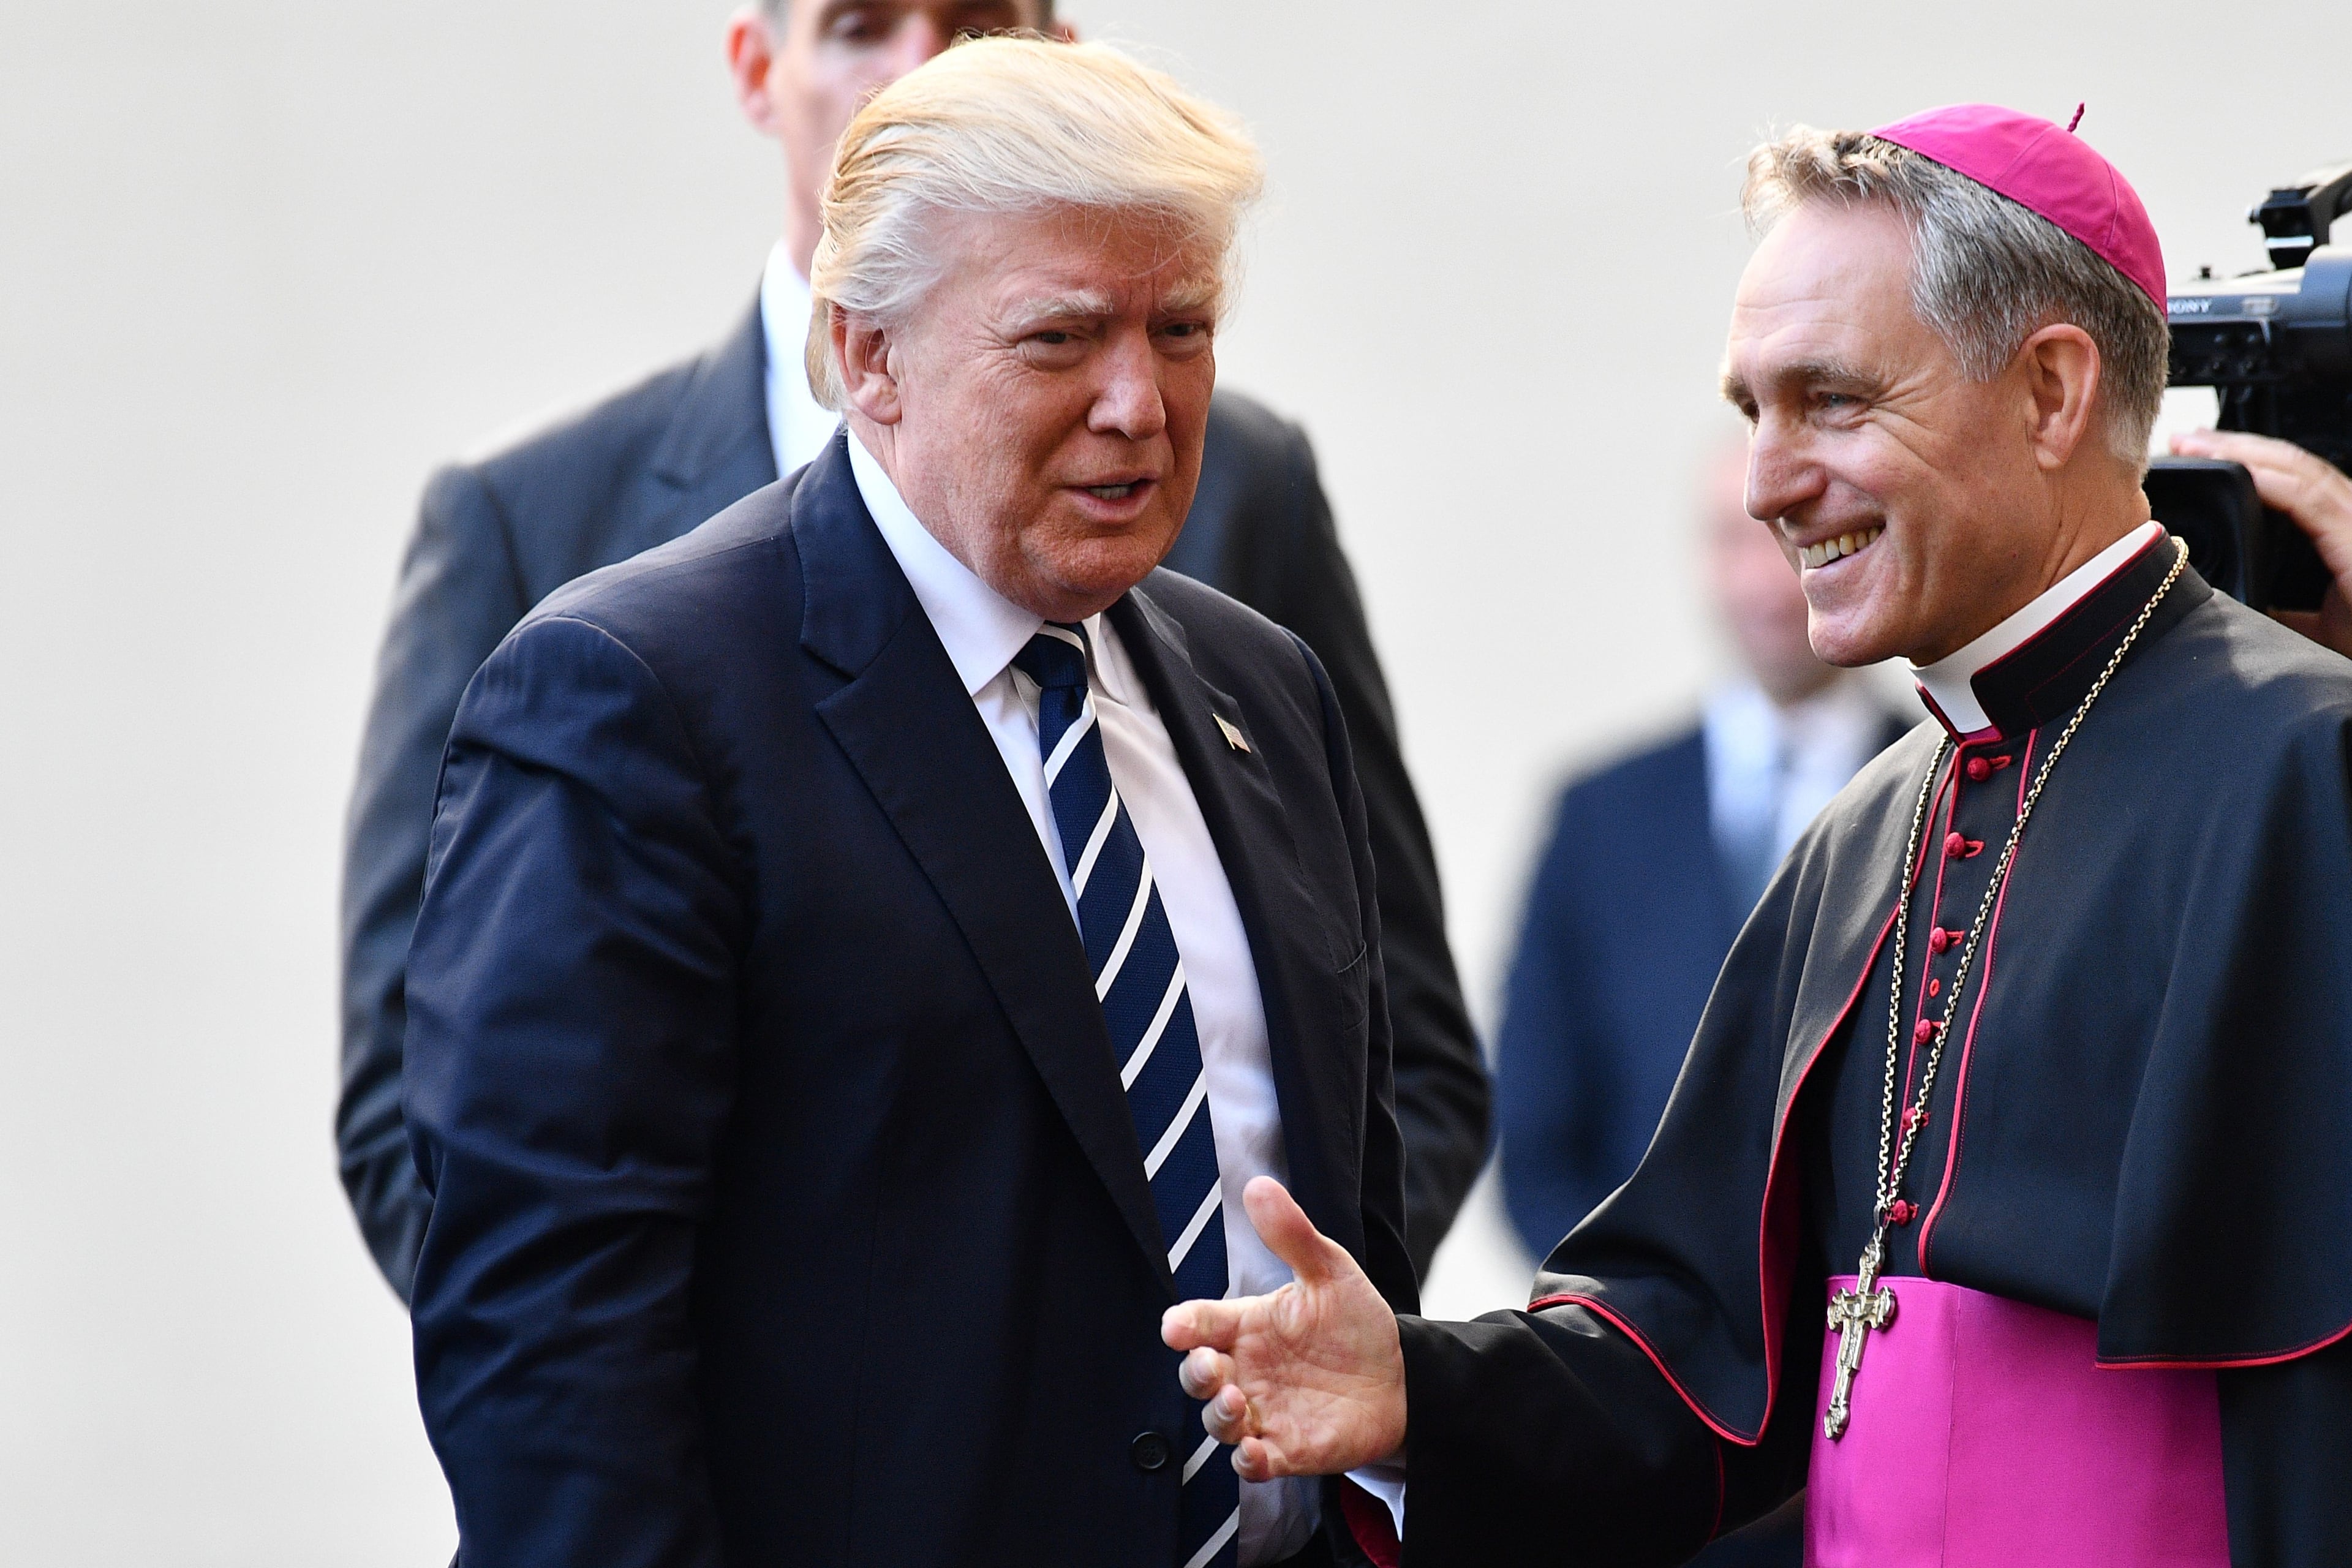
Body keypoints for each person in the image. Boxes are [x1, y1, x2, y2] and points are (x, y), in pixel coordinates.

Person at [1166, 105, 2352, 1565]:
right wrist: (1416, 1385)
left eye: (1831, 401)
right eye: (1753, 412)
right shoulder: (1869, 831)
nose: (1767, 483)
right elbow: (1694, 1357)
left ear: (2051, 394)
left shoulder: (2307, 766)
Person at [404, 39, 1416, 1568]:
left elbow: (1361, 1227)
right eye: (1062, 337)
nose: (1139, 402)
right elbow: (547, 1346)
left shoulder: (1263, 687)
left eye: (1183, 328)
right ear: (870, 355)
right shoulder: (633, 699)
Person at [1496, 441, 1909, 1263]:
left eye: (1797, 539)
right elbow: (1536, 1132)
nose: (1765, 581)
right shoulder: (1599, 817)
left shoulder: (1961, 787)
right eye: (1736, 538)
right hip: (1639, 1315)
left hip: (1881, 1312)